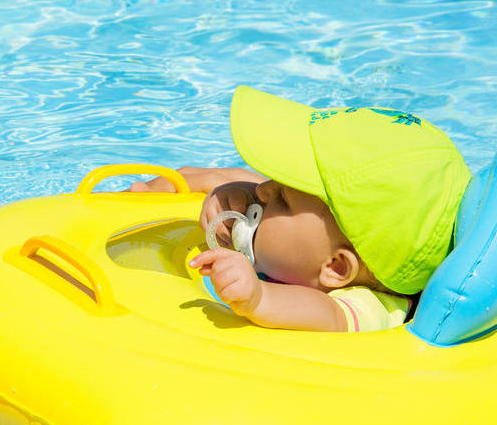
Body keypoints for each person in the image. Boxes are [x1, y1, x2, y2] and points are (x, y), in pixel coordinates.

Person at [181, 85, 470, 332]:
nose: (263, 191)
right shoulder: (310, 242)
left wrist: (259, 298)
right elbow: (269, 196)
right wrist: (233, 192)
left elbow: (328, 315)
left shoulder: (372, 308)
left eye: (282, 199)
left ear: (336, 267)